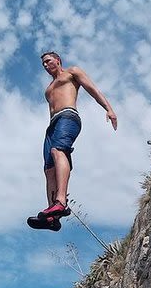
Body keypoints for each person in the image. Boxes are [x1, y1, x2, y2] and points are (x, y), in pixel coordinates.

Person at [34, 51, 117, 229]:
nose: (46, 65)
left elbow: (93, 90)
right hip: (52, 125)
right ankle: (52, 217)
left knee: (58, 151)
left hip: (68, 117)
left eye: (48, 61)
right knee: (49, 169)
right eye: (43, 64)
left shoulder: (72, 72)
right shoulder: (48, 89)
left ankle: (61, 201)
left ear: (58, 60)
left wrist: (109, 109)